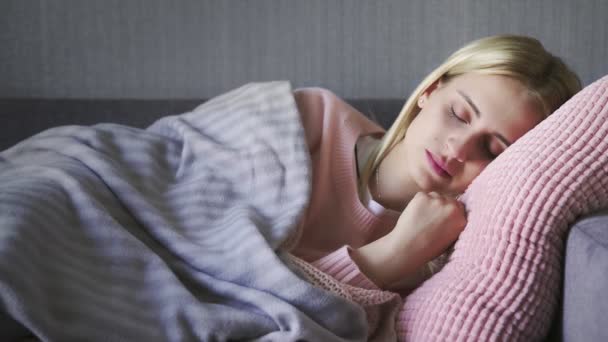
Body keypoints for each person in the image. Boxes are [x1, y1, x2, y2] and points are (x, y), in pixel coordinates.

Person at [288, 34, 581, 293]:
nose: (458, 149)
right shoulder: (304, 120)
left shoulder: (452, 256)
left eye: (492, 150)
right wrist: (392, 254)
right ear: (429, 90)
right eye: (459, 114)